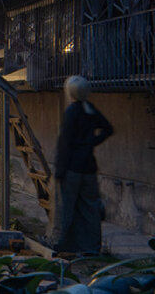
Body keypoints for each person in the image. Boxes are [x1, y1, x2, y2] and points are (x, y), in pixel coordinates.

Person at [54, 75, 113, 255]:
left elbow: (65, 143)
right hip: (89, 166)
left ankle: (65, 243)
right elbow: (108, 129)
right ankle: (92, 246)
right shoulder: (90, 110)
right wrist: (91, 143)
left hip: (72, 168)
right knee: (91, 208)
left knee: (68, 207)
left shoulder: (71, 112)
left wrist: (59, 170)